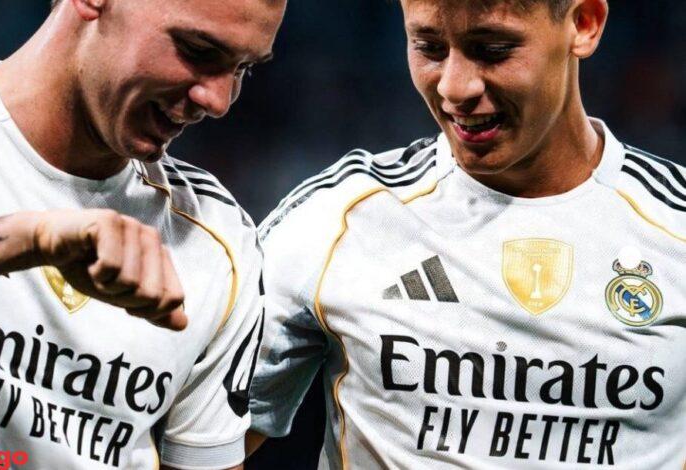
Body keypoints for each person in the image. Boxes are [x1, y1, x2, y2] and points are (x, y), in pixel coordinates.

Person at [247, 0, 686, 468]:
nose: (454, 88)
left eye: (493, 49)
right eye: (429, 47)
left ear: (584, 23)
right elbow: (206, 442)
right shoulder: (335, 218)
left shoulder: (673, 225)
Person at [0, 0, 285, 468]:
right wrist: (29, 239)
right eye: (197, 49)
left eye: (243, 68)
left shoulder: (219, 239)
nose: (219, 102)